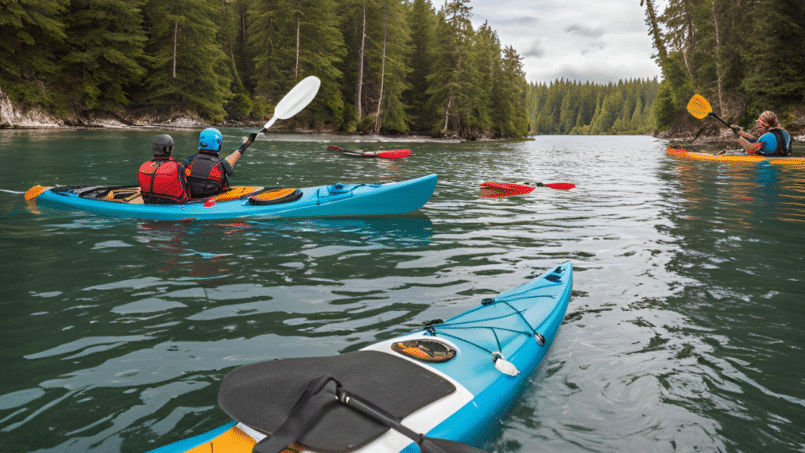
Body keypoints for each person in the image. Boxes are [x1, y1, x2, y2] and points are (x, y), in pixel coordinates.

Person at [183, 128, 256, 198]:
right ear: (217, 144)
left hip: (191, 197)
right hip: (213, 198)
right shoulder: (222, 163)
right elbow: (236, 155)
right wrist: (247, 143)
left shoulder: (188, 160)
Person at [138, 134, 191, 204]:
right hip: (175, 206)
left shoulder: (143, 166)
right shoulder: (178, 167)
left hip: (149, 203)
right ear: (169, 149)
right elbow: (187, 191)